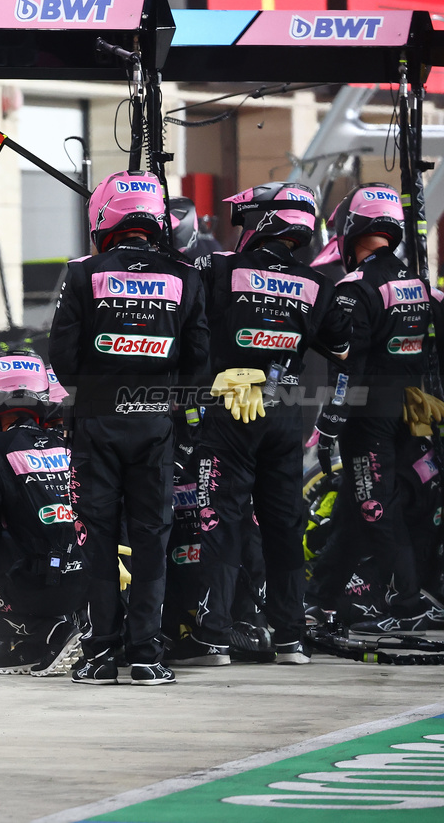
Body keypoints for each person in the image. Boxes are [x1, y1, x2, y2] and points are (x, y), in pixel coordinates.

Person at [173, 182, 351, 667]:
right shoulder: (320, 285)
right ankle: (291, 638)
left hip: (230, 410)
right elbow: (344, 354)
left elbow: (181, 327)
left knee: (221, 520)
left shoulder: (217, 267)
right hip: (286, 413)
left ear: (262, 221)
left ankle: (214, 638)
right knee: (283, 523)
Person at [49, 170, 209, 686]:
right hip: (156, 425)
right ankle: (146, 655)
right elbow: (199, 361)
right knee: (151, 539)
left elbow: (61, 357)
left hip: (96, 423)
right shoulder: (185, 276)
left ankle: (99, 655)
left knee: (96, 539)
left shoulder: (81, 273)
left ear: (105, 217)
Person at [310, 183, 444, 633]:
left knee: (374, 509)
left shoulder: (356, 287)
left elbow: (352, 364)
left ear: (352, 229)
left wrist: (329, 422)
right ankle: (322, 597)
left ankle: (406, 601)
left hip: (367, 419)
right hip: (411, 412)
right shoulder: (418, 284)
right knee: (356, 507)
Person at [0, 351, 86, 676]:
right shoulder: (69, 444)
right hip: (87, 579)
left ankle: (53, 634)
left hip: (38, 584)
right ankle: (85, 632)